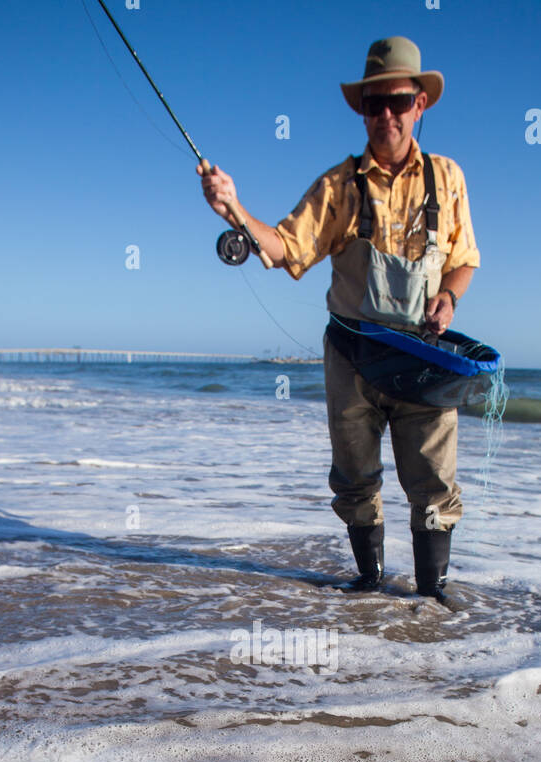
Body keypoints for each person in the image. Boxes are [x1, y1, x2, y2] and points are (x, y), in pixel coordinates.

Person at [198, 36, 480, 600]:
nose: (385, 115)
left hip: (423, 358)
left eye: (397, 102)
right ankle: (370, 584)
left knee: (433, 482)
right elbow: (281, 250)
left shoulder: (447, 178)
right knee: (354, 479)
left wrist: (448, 298)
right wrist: (232, 206)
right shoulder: (337, 185)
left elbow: (464, 259)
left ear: (419, 105)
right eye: (373, 103)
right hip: (351, 356)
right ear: (363, 110)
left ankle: (433, 594)